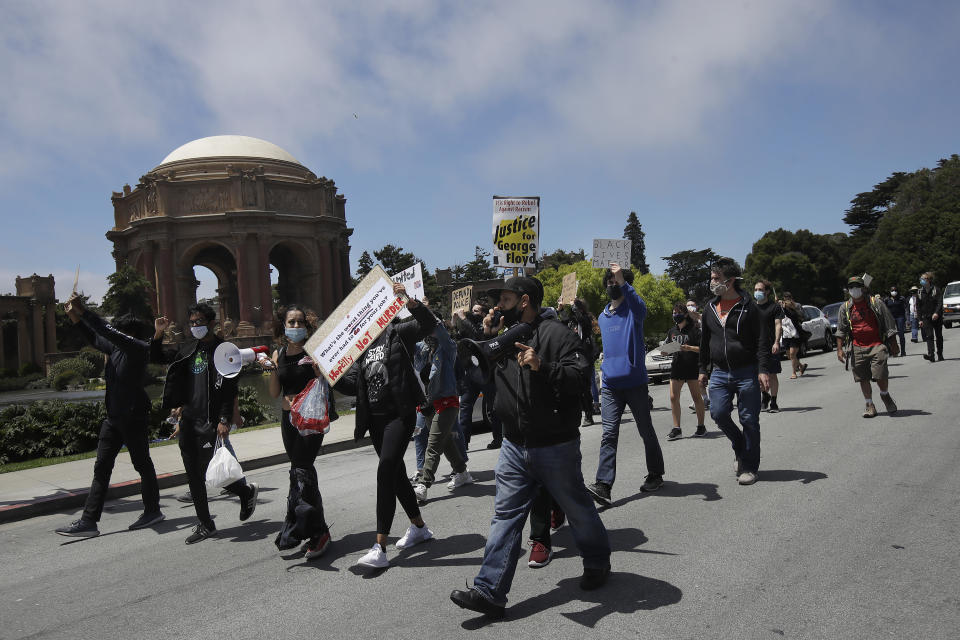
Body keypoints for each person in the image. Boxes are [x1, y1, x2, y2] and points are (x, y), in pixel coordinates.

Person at [450, 276, 610, 619]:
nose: (497, 306)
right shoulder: (503, 338)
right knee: (505, 517)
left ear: (524, 301)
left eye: (504, 299)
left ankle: (597, 561)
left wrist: (543, 366)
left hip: (554, 443)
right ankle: (489, 591)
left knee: (577, 508)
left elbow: (580, 379)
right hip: (513, 443)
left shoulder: (557, 334)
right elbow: (480, 379)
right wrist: (485, 338)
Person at [334, 282, 437, 569]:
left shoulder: (398, 332)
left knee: (386, 469)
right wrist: (330, 374)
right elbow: (354, 384)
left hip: (399, 415)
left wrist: (411, 302)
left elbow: (428, 325)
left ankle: (379, 546)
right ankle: (419, 527)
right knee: (396, 475)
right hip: (375, 422)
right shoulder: (361, 346)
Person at [55, 296, 163, 537]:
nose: (115, 336)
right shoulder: (115, 348)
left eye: (120, 333)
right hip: (113, 418)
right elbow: (96, 337)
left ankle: (153, 510)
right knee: (101, 468)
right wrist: (76, 319)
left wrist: (84, 311)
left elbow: (106, 331)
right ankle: (88, 522)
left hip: (134, 416)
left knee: (142, 464)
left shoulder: (138, 349)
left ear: (129, 334)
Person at [152, 303, 259, 544]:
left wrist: (224, 419)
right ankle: (205, 524)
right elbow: (158, 357)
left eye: (199, 321)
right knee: (193, 475)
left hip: (210, 420)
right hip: (189, 419)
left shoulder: (224, 349)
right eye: (192, 322)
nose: (195, 326)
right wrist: (158, 334)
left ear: (211, 323)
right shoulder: (189, 348)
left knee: (213, 472)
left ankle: (245, 491)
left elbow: (229, 387)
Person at [586, 263, 665, 506]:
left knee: (645, 430)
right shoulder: (603, 315)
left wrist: (622, 280)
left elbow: (640, 306)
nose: (612, 285)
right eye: (609, 282)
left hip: (635, 383)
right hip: (610, 385)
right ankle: (603, 485)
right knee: (608, 434)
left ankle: (655, 473)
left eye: (616, 281)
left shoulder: (634, 311)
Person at [267, 305, 333, 559]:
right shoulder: (279, 354)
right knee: (300, 471)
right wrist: (273, 370)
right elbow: (274, 394)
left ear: (307, 326)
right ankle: (317, 530)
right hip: (289, 420)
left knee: (302, 470)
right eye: (291, 322)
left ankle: (313, 531)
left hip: (312, 420)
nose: (295, 327)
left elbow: (330, 382)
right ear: (283, 326)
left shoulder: (316, 352)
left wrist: (320, 372)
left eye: (299, 322)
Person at [698, 257, 765, 486]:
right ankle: (739, 446)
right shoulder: (709, 308)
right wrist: (702, 369)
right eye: (712, 278)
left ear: (731, 280)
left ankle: (749, 467)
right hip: (719, 372)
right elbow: (705, 341)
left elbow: (761, 340)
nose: (712, 282)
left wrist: (763, 369)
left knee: (749, 420)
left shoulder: (749, 306)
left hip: (746, 372)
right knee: (718, 413)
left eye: (717, 278)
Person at [412, 321, 474, 505]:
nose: (428, 334)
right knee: (445, 442)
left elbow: (441, 332)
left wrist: (424, 312)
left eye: (431, 329)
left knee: (434, 443)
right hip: (428, 405)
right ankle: (462, 472)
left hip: (447, 403)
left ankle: (424, 484)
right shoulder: (422, 349)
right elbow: (404, 340)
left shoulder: (447, 348)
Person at [835, 276, 899, 417]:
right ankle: (869, 404)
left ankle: (884, 394)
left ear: (863, 288)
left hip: (877, 344)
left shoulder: (875, 303)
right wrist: (839, 349)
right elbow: (840, 330)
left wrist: (894, 344)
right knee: (862, 377)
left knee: (880, 373)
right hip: (858, 347)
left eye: (857, 286)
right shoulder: (845, 308)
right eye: (851, 287)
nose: (854, 290)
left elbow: (889, 324)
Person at [454, 303, 502, 449]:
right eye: (471, 310)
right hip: (471, 374)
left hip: (486, 373)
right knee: (465, 406)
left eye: (476, 311)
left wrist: (463, 318)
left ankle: (498, 438)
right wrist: (456, 319)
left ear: (482, 314)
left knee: (492, 407)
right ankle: (464, 443)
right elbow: (457, 338)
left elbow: (477, 336)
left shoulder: (488, 327)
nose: (472, 313)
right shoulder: (467, 326)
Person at [664, 303, 706, 440]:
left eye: (678, 312)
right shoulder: (672, 331)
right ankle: (677, 428)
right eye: (674, 312)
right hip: (677, 368)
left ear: (686, 314)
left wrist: (689, 348)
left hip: (692, 367)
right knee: (673, 397)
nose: (676, 315)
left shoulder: (694, 330)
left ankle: (701, 426)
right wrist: (665, 351)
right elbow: (667, 348)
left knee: (696, 397)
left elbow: (703, 349)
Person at [558, 296, 598, 426]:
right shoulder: (573, 320)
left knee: (585, 387)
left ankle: (588, 415)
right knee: (576, 388)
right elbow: (565, 322)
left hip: (585, 356)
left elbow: (582, 321)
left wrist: (574, 305)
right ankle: (583, 412)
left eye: (576, 306)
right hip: (573, 356)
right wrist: (561, 309)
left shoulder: (585, 318)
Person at [753, 280, 783, 413]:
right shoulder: (752, 308)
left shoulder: (774, 307)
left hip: (770, 346)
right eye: (755, 289)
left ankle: (774, 402)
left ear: (767, 292)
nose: (757, 292)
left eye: (760, 289)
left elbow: (778, 325)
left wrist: (776, 342)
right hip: (755, 347)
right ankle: (765, 395)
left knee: (772, 375)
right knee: (757, 377)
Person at [917, 272, 945, 362]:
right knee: (929, 336)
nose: (921, 280)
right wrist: (920, 319)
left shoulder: (936, 290)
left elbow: (940, 303)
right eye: (921, 279)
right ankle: (931, 355)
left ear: (928, 280)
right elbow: (918, 306)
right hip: (926, 317)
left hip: (936, 317)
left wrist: (936, 313)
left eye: (923, 279)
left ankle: (940, 354)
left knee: (939, 336)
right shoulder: (920, 292)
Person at [780, 293, 808, 379]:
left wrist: (784, 308)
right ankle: (801, 366)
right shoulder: (782, 311)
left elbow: (789, 315)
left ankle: (794, 373)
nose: (786, 302)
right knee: (790, 356)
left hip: (794, 336)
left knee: (792, 354)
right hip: (786, 336)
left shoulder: (793, 313)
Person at [883, 286, 908, 356]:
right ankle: (894, 351)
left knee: (901, 334)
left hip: (900, 317)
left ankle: (903, 351)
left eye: (895, 290)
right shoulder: (887, 300)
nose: (894, 292)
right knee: (891, 335)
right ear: (890, 292)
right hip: (891, 318)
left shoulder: (901, 298)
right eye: (892, 290)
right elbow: (885, 309)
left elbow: (906, 308)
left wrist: (906, 319)